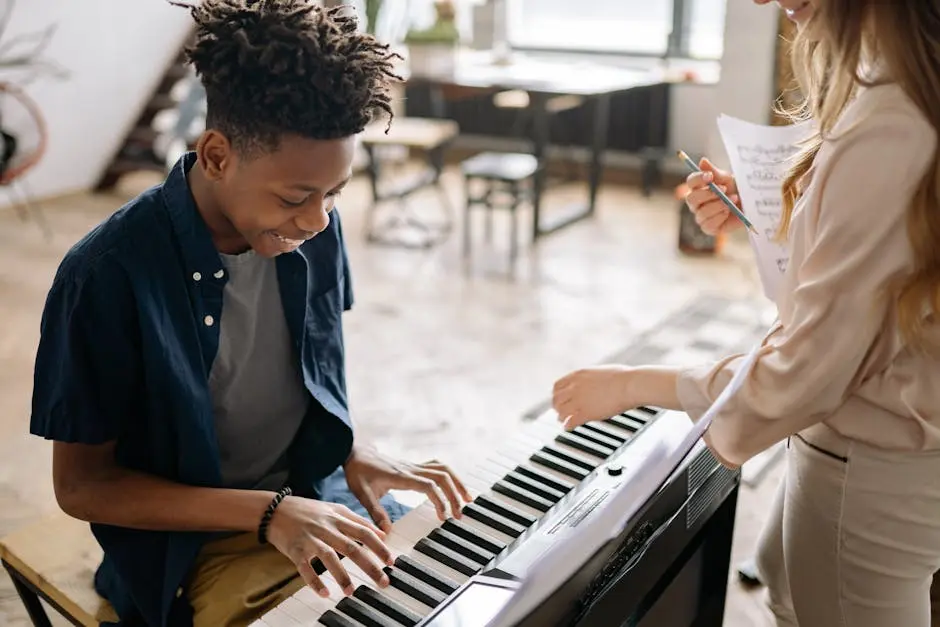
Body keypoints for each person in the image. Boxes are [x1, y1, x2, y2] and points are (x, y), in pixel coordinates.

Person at [29, 2, 471, 626]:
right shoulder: (105, 275)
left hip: (310, 493)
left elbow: (293, 381)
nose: (318, 220)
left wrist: (349, 448)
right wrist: (266, 513)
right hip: (191, 545)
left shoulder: (313, 228)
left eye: (335, 194)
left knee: (454, 583)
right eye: (296, 196)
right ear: (215, 155)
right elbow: (81, 489)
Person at [552, 0, 940, 625]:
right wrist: (774, 217)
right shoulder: (897, 89)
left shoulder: (891, 122)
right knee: (787, 588)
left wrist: (635, 383)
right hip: (863, 449)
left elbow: (805, 370)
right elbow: (878, 273)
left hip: (872, 466)